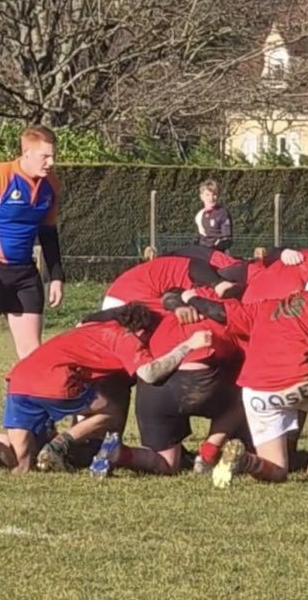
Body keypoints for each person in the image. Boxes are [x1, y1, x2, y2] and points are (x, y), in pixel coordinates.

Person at [0, 303, 212, 474]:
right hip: (54, 382)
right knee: (111, 412)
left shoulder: (93, 328)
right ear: (140, 329)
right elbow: (150, 373)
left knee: (21, 463)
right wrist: (189, 345)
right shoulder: (125, 337)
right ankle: (60, 445)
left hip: (20, 380)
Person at [0, 125, 65, 437]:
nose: (51, 162)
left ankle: (41, 425)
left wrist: (56, 276)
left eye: (53, 156)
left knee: (33, 353)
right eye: (45, 156)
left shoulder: (51, 186)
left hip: (24, 276)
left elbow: (48, 233)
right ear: (26, 153)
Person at [88, 293, 247, 479]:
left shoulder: (161, 315)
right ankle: (207, 455)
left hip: (154, 388)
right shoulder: (228, 314)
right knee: (247, 393)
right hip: (200, 379)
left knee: (166, 463)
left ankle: (120, 453)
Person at [206, 277, 308, 488]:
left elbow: (224, 313)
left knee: (277, 470)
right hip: (298, 380)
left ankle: (245, 460)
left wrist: (191, 298)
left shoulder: (267, 306)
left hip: (255, 391)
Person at [101, 254, 243, 312]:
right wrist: (218, 284)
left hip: (119, 295)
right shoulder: (180, 269)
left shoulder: (170, 266)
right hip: (127, 299)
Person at [195, 179, 233, 251]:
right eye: (207, 195)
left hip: (217, 254)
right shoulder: (199, 215)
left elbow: (227, 240)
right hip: (203, 253)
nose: (211, 198)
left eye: (214, 194)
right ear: (202, 197)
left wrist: (214, 250)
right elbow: (200, 237)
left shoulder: (223, 213)